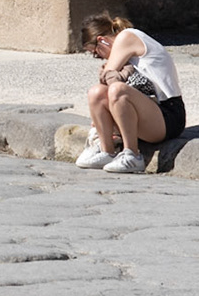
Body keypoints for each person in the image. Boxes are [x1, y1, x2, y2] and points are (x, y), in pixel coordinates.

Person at [77, 13, 186, 175]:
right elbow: (102, 87)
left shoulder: (126, 37)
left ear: (102, 40)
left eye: (95, 52)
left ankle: (132, 154)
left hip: (168, 115)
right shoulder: (124, 53)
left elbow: (107, 77)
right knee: (96, 93)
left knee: (117, 90)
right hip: (149, 112)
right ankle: (106, 151)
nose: (98, 57)